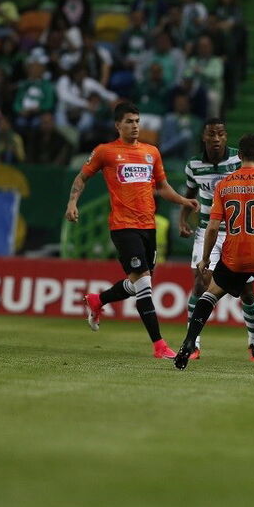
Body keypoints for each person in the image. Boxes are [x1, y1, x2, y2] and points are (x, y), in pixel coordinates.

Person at [65, 102, 199, 359]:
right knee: (144, 284)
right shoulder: (105, 151)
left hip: (148, 226)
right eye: (129, 121)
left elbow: (162, 187)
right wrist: (72, 203)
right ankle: (159, 345)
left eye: (137, 121)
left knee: (138, 284)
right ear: (118, 125)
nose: (135, 126)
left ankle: (98, 300)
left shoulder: (151, 152)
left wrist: (183, 200)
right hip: (123, 226)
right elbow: (82, 177)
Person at [173, 134, 254, 377]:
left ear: (240, 156)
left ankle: (190, 340)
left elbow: (212, 227)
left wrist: (205, 258)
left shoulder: (224, 185)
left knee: (209, 294)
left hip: (233, 257)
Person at [177, 118, 254, 362]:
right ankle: (192, 343)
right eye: (211, 134)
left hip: (238, 232)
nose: (216, 138)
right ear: (203, 136)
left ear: (226, 136)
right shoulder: (193, 165)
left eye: (221, 134)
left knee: (247, 292)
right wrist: (183, 218)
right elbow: (190, 194)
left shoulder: (239, 159)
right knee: (200, 283)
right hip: (207, 231)